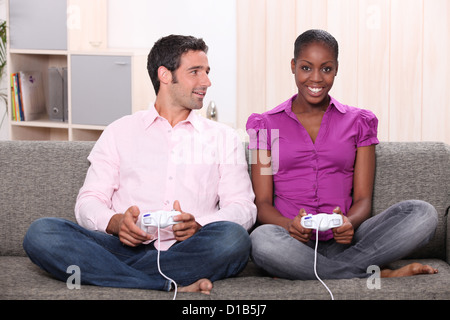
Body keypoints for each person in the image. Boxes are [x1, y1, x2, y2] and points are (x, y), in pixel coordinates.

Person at [23, 35, 256, 294]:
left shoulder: (223, 138)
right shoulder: (119, 131)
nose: (207, 82)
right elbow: (89, 200)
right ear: (165, 75)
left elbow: (242, 207)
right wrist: (116, 222)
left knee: (234, 240)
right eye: (195, 72)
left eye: (207, 72)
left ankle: (117, 276)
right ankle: (160, 282)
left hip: (188, 248)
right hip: (119, 249)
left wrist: (201, 226)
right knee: (41, 232)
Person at [246, 29, 438, 281]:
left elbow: (362, 200)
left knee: (422, 213)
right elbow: (262, 205)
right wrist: (289, 225)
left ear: (336, 69)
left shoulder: (360, 122)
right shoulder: (264, 124)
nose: (316, 78)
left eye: (326, 69)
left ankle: (313, 270)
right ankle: (376, 273)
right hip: (291, 241)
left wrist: (348, 222)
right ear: (293, 66)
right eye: (306, 68)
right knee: (261, 240)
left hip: (348, 240)